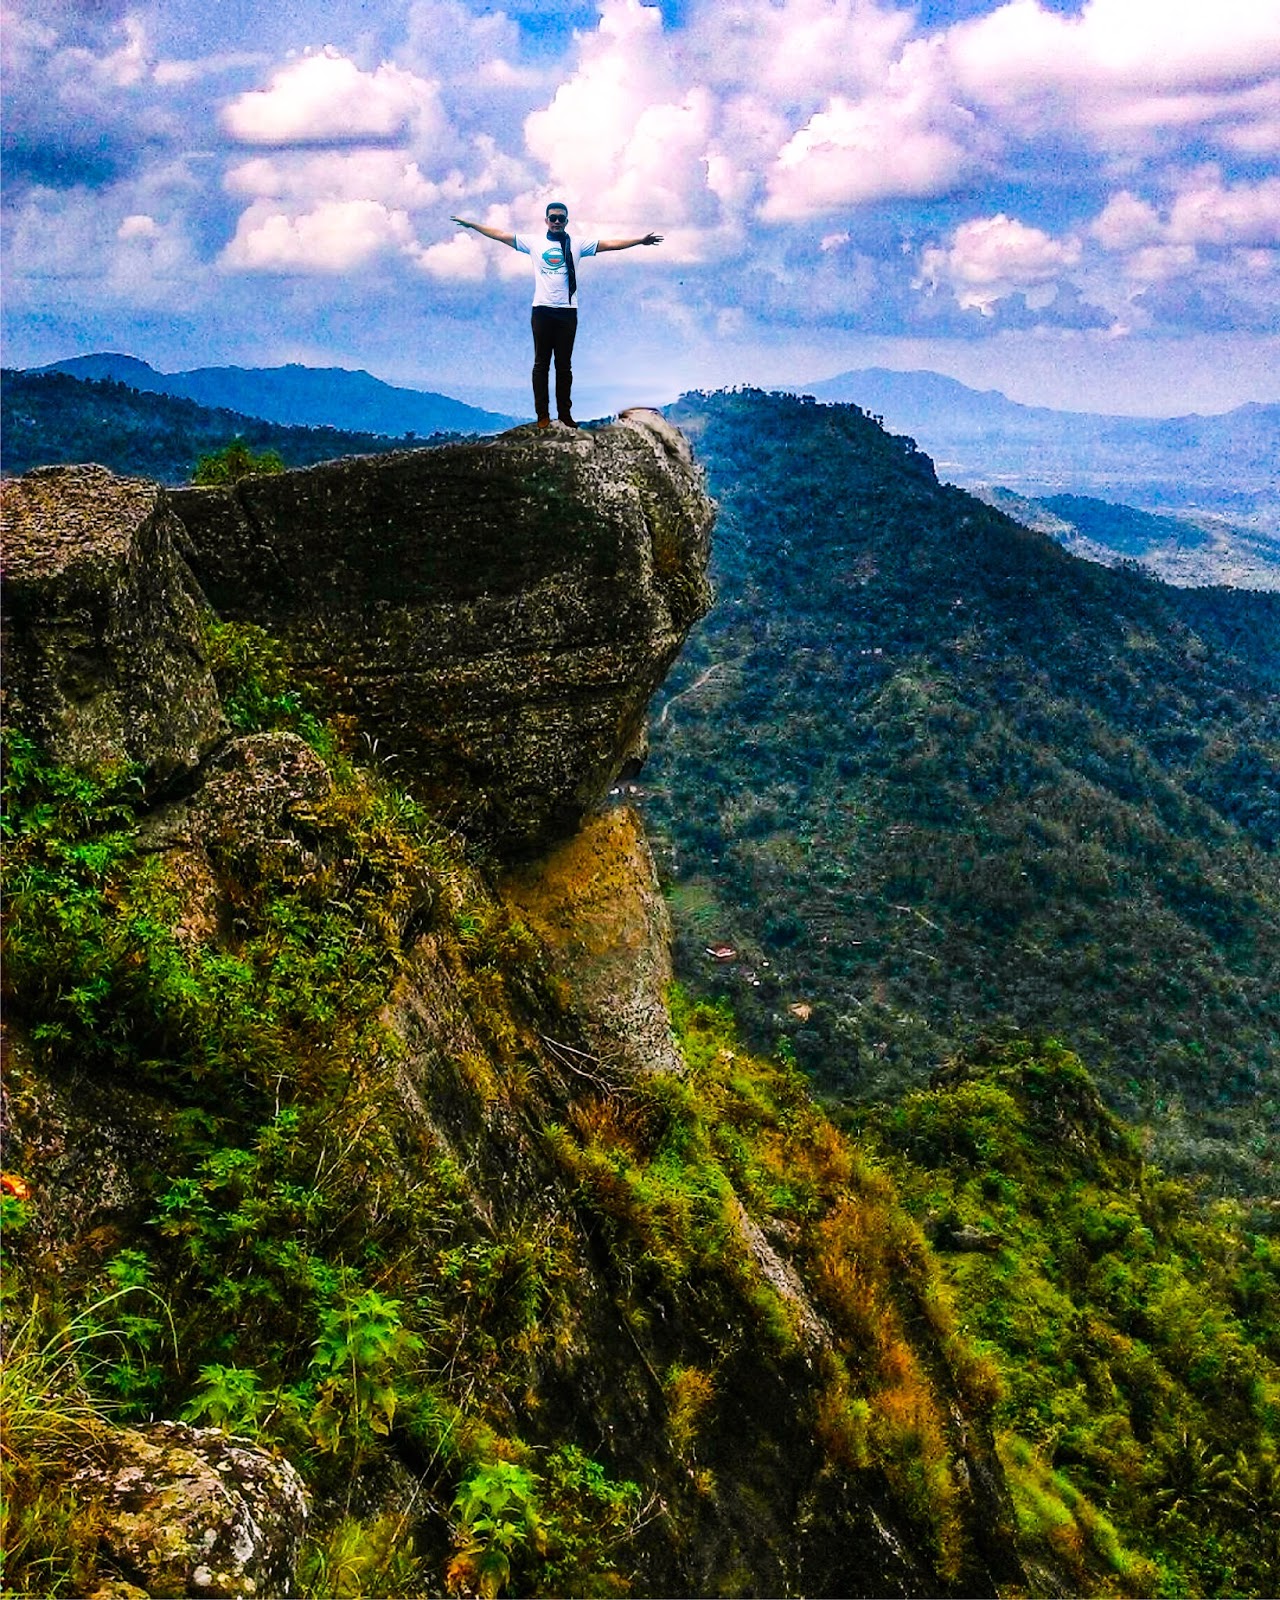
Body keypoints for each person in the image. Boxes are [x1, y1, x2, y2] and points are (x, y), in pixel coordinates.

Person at [451, 202, 663, 428]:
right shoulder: (534, 242)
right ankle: (542, 415)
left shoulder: (578, 244)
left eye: (561, 219)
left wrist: (639, 241)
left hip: (568, 311)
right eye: (553, 218)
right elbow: (500, 235)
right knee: (541, 364)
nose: (557, 222)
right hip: (542, 309)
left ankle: (565, 415)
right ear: (546, 220)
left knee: (564, 366)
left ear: (567, 221)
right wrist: (473, 225)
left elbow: (610, 244)